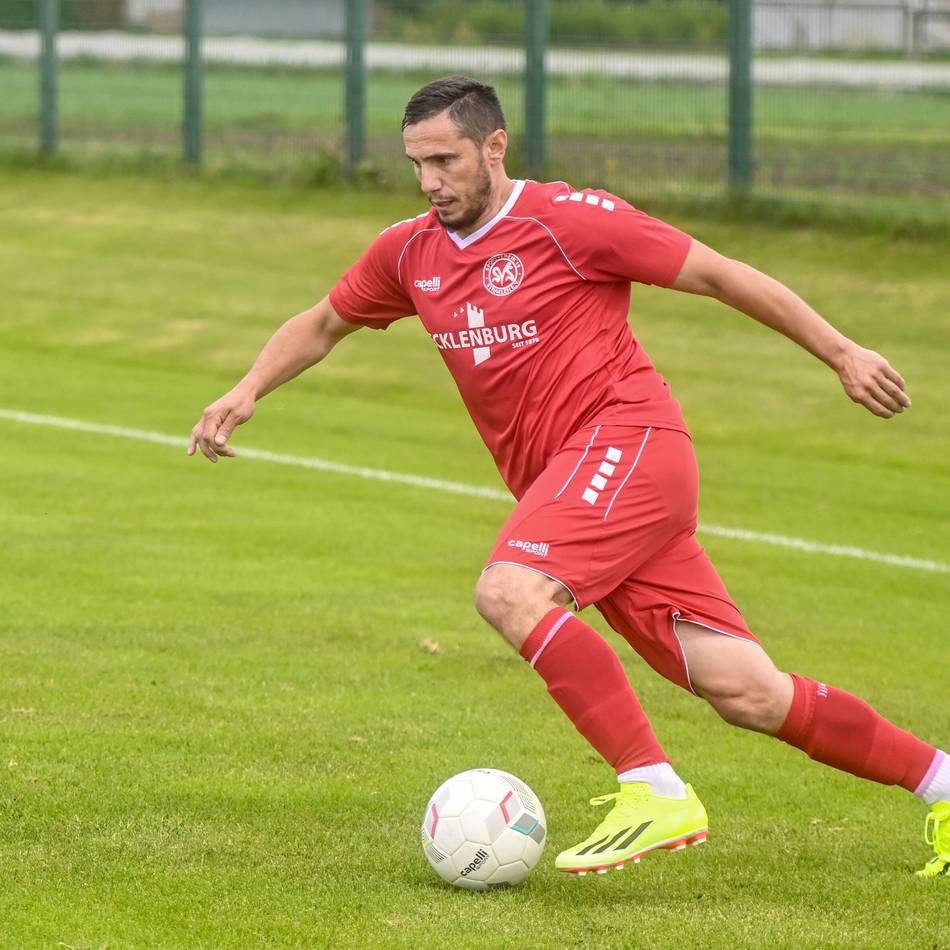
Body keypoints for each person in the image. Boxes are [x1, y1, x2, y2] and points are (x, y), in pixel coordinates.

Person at [188, 75, 948, 878]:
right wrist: (246, 389)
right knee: (748, 692)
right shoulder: (410, 252)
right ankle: (943, 782)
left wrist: (843, 352)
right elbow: (323, 322)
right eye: (416, 164)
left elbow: (721, 275)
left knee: (509, 592)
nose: (429, 182)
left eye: (445, 161)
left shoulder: (570, 221)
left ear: (494, 146)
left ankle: (653, 788)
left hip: (628, 442)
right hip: (586, 483)